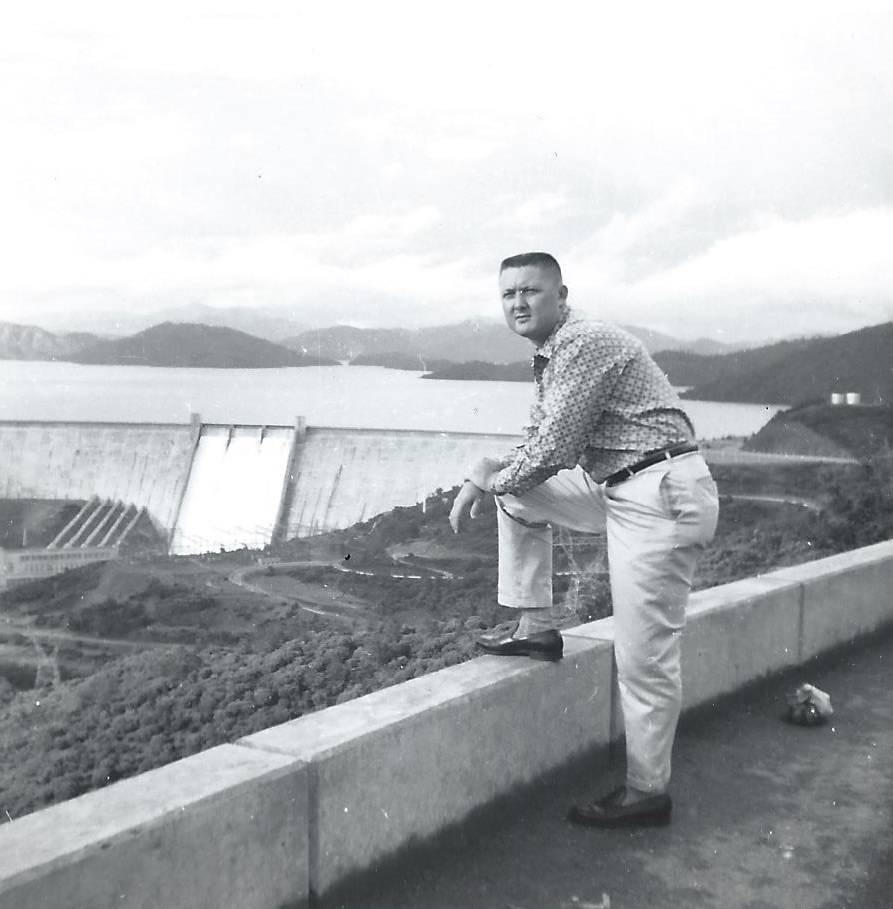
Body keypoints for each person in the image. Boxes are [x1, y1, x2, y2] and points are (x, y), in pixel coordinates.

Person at [449, 252, 719, 828]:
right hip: (622, 487)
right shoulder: (553, 355)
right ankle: (537, 629)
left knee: (644, 656)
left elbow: (551, 452)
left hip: (659, 493)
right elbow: (538, 444)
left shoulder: (582, 342)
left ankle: (648, 793)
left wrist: (484, 475)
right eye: (507, 295)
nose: (518, 303)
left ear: (561, 294)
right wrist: (489, 471)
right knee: (515, 495)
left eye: (531, 291)